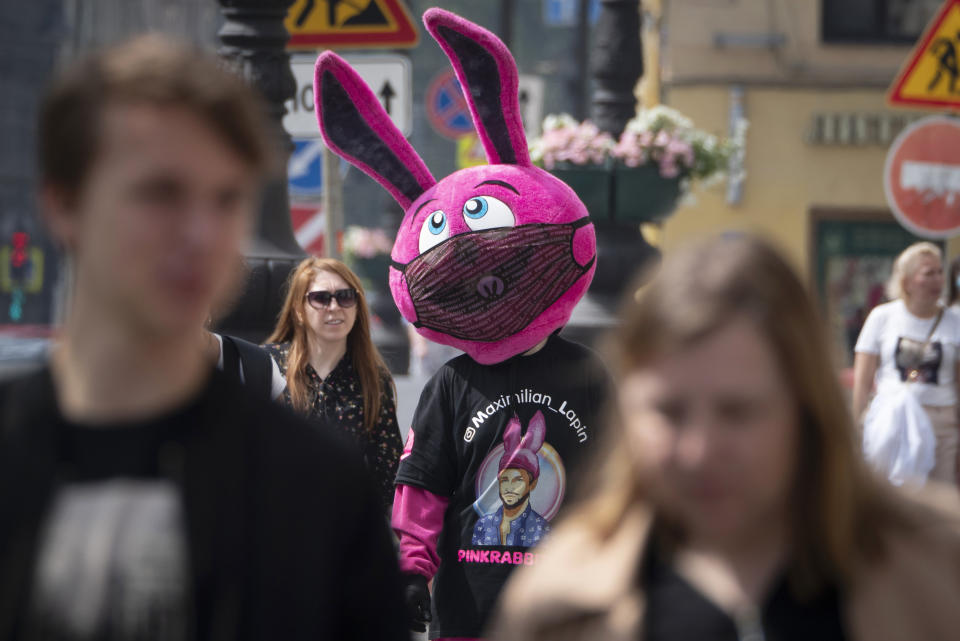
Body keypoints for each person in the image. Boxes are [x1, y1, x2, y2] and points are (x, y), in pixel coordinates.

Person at [0, 36, 408, 641]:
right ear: (65, 205)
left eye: (225, 200)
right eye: (160, 193)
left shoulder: (319, 484)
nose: (200, 233)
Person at [490, 233, 960, 641]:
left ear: (805, 407)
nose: (700, 452)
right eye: (669, 413)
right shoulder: (558, 601)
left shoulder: (937, 572)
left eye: (738, 413)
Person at [265, 256, 403, 509]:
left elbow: (388, 470)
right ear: (299, 308)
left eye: (345, 296)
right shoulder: (267, 364)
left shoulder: (372, 377)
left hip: (342, 527)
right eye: (320, 298)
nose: (334, 306)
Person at [852, 242, 960, 486]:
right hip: (894, 423)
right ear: (907, 281)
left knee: (942, 503)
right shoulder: (882, 317)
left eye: (940, 272)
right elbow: (863, 379)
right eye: (928, 273)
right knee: (896, 501)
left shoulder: (955, 321)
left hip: (942, 421)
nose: (937, 279)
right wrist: (858, 425)